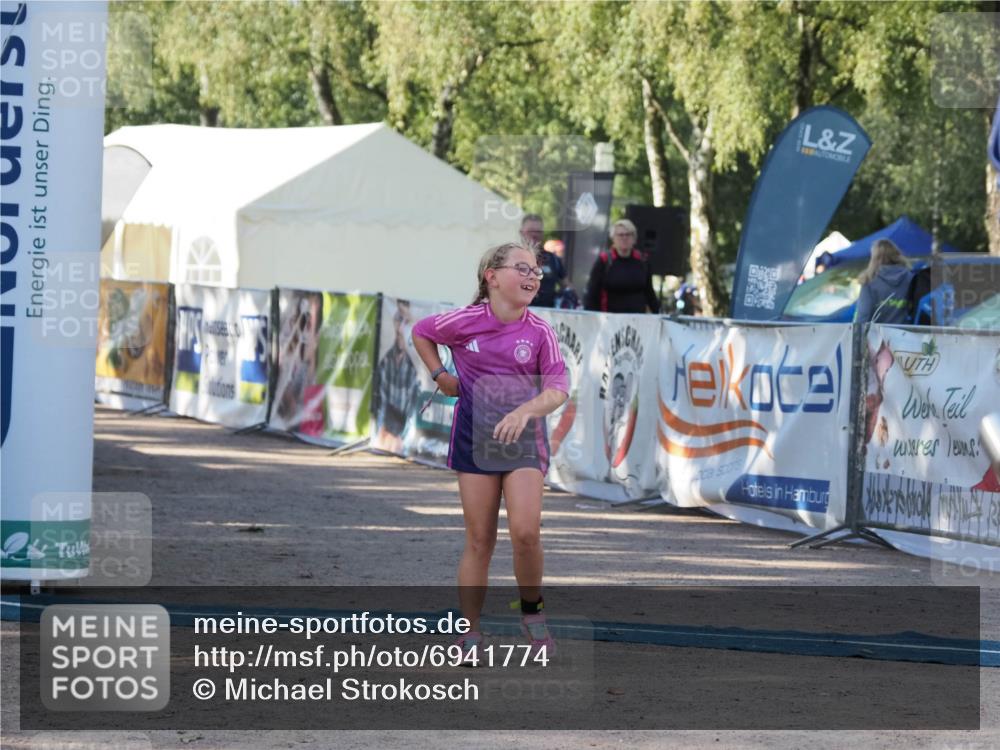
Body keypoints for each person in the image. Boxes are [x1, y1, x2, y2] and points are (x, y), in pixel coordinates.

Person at [411, 242, 569, 665]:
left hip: (522, 441)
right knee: (480, 539)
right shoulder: (464, 321)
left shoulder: (540, 331)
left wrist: (525, 410)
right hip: (474, 438)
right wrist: (441, 374)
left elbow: (557, 389)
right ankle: (469, 633)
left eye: (537, 270)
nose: (533, 276)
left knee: (525, 532)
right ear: (492, 276)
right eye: (523, 268)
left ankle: (532, 614)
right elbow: (421, 331)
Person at [584, 218, 660, 313]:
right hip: (609, 319)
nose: (624, 238)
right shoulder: (604, 261)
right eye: (620, 235)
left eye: (628, 235)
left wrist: (658, 313)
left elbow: (649, 292)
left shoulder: (642, 261)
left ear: (634, 239)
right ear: (613, 239)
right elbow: (592, 293)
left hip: (637, 320)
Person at [375, 300, 421, 453]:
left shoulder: (415, 368)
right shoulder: (385, 362)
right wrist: (381, 432)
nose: (401, 328)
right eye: (398, 319)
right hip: (386, 436)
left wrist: (404, 439)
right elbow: (380, 403)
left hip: (402, 439)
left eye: (406, 321)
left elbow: (414, 412)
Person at [854, 238, 913, 324]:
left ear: (874, 258)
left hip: (877, 335)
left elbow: (863, 315)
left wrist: (857, 334)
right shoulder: (910, 277)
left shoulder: (869, 280)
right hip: (904, 334)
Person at [520, 214, 568, 308]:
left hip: (547, 316)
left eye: (538, 231)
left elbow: (567, 286)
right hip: (517, 317)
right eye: (530, 231)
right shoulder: (510, 258)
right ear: (521, 232)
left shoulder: (553, 259)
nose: (534, 234)